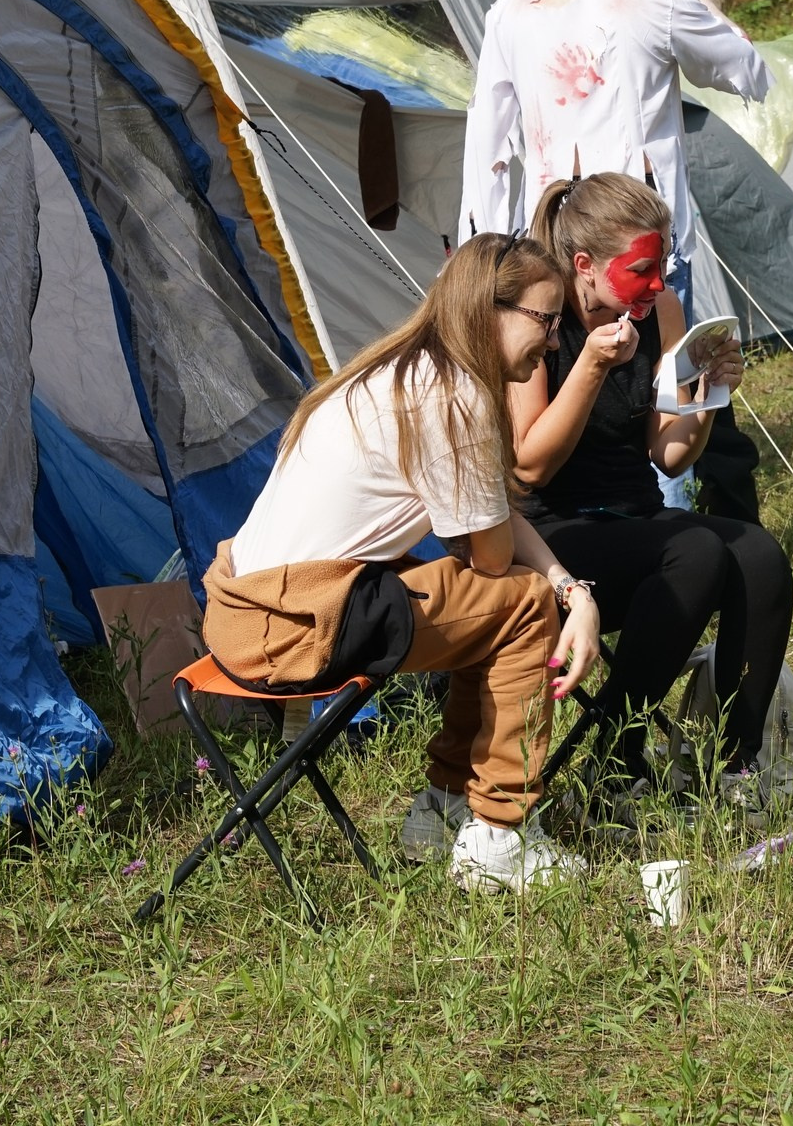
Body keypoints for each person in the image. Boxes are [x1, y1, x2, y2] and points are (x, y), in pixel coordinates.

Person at [209, 233, 602, 894]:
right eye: (546, 319)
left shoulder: (399, 371)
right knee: (521, 604)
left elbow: (488, 535)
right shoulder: (454, 396)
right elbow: (492, 558)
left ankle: (446, 810)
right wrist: (562, 594)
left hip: (245, 612)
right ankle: (498, 834)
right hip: (296, 626)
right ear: (490, 311)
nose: (556, 341)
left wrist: (573, 588)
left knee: (493, 602)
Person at [508, 173, 793, 801]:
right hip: (551, 533)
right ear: (584, 266)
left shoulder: (658, 312)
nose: (659, 284)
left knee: (759, 555)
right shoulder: (541, 318)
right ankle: (616, 757)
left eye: (662, 265)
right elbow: (530, 468)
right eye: (642, 269)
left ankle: (736, 766)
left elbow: (668, 455)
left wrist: (708, 394)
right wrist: (590, 365)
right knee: (696, 552)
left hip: (634, 514)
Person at [458, 0, 771, 288]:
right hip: (638, 233)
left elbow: (487, 133)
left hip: (546, 230)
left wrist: (486, 248)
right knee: (659, 331)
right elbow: (747, 70)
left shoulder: (512, 1)